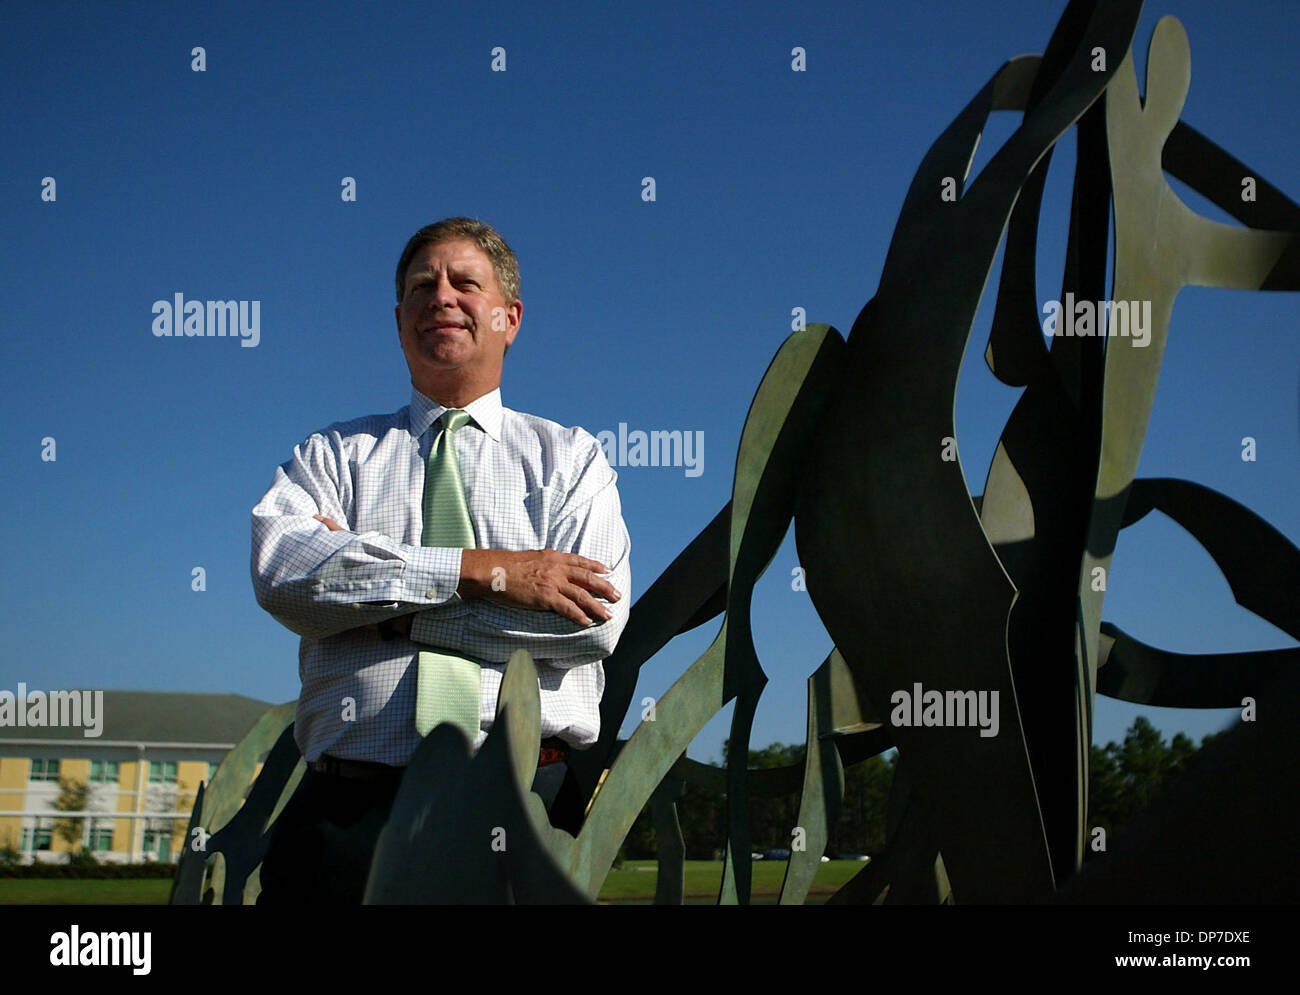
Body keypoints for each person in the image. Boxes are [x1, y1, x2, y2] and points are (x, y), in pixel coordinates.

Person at [250, 217, 631, 903]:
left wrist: (389, 610)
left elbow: (591, 626)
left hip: (522, 807)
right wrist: (489, 572)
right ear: (400, 320)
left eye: (464, 282)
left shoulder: (572, 461)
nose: (441, 296)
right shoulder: (332, 457)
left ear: (510, 317)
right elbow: (285, 574)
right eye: (422, 285)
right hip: (345, 820)